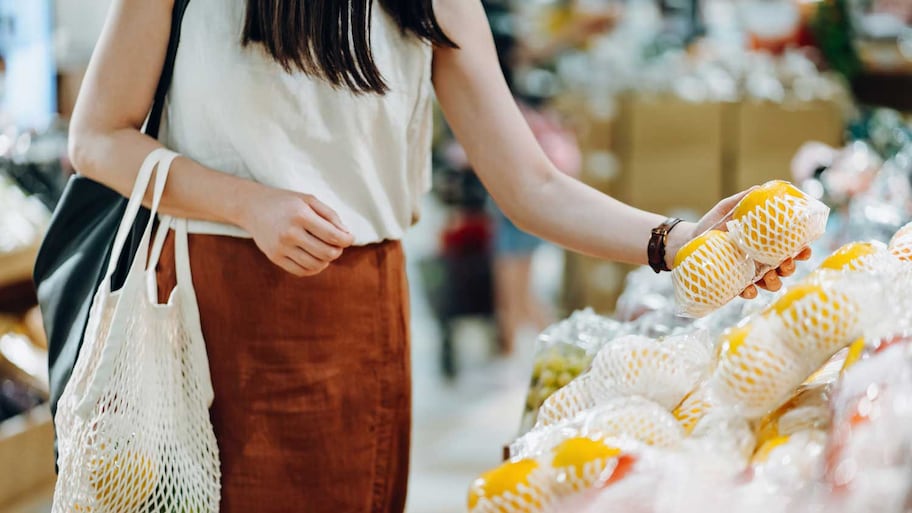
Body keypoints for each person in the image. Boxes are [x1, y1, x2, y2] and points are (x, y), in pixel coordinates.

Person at [66, 1, 804, 512]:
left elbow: (531, 183)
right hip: (207, 316)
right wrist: (247, 202)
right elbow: (96, 136)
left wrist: (674, 240)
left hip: (359, 316)